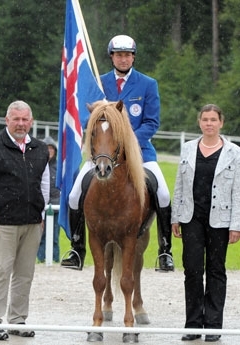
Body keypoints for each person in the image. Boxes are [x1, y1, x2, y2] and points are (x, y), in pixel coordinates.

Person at [61, 34, 174, 272]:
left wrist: (127, 143)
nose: (123, 59)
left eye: (128, 55)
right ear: (112, 57)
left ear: (133, 57)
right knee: (73, 195)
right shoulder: (98, 85)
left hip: (141, 152)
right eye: (119, 55)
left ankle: (165, 250)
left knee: (162, 194)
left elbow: (152, 122)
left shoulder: (147, 84)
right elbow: (88, 120)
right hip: (103, 153)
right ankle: (76, 248)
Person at [0, 100, 49, 340]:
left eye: (25, 119)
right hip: (1, 223)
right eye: (16, 119)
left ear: (31, 122)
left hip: (31, 223)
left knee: (25, 274)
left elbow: (43, 185)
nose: (20, 124)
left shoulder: (40, 149)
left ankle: (17, 320)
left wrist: (42, 214)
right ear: (7, 120)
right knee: (0, 272)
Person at [171, 104, 240, 342]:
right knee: (192, 269)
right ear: (199, 122)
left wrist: (236, 224)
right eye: (205, 119)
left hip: (220, 220)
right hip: (192, 218)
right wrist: (175, 217)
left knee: (216, 270)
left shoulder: (234, 152)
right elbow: (179, 185)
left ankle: (212, 325)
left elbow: (238, 191)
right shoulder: (188, 149)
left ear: (221, 123)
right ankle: (192, 323)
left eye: (213, 119)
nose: (209, 123)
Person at [37, 136, 61, 263]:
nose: (50, 151)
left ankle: (55, 258)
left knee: (54, 236)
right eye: (47, 149)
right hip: (41, 205)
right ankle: (41, 259)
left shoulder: (59, 167)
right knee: (41, 235)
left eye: (52, 149)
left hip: (56, 206)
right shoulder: (38, 165)